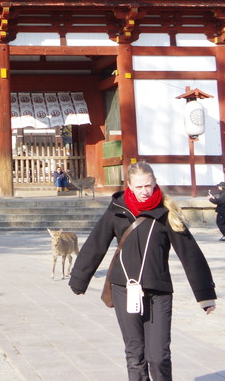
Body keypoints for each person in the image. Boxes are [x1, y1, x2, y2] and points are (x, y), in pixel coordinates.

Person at [69, 160, 216, 380]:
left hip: (159, 292)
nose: (144, 191)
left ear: (155, 182)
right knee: (135, 354)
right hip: (124, 289)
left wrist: (205, 294)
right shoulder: (117, 210)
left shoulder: (166, 213)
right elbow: (96, 243)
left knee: (159, 357)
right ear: (129, 185)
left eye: (147, 185)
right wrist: (79, 279)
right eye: (139, 187)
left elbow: (190, 253)